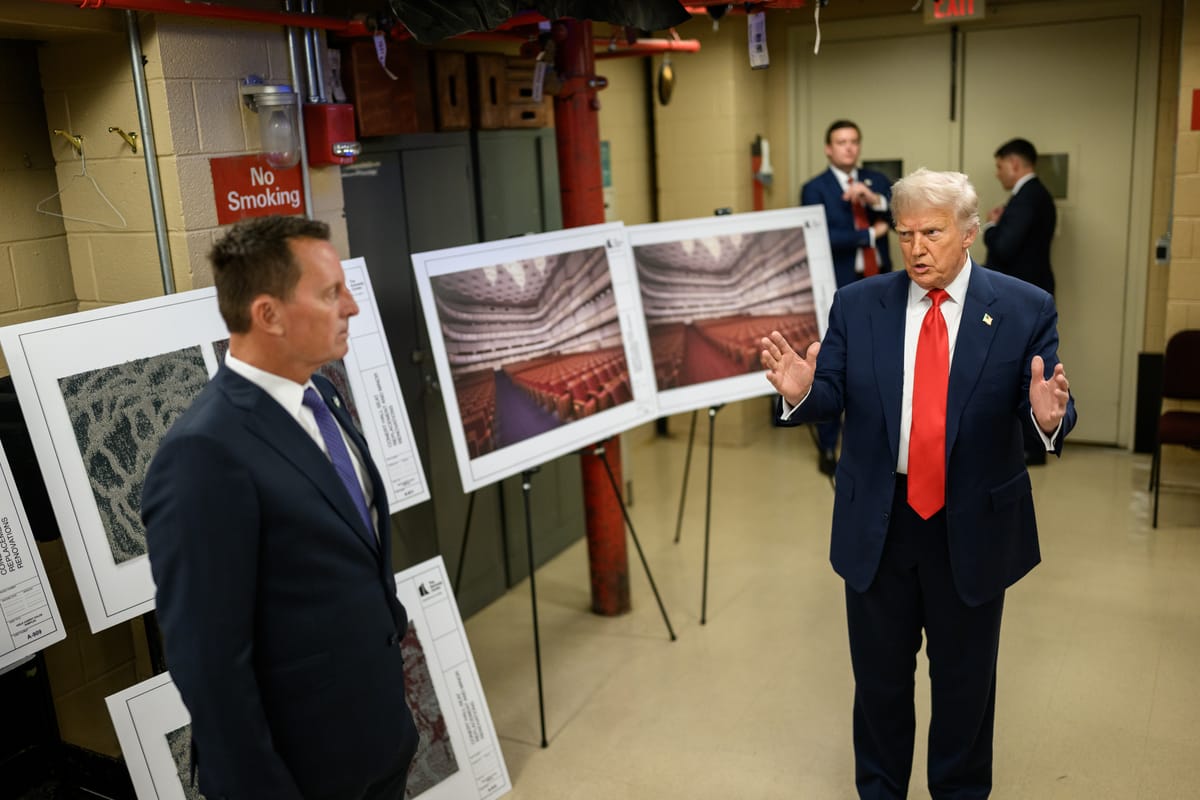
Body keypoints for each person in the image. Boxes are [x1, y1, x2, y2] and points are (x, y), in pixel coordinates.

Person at [762, 168, 1075, 799]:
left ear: (969, 232)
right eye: (904, 234)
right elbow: (831, 391)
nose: (916, 249)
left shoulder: (1022, 308)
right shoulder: (860, 303)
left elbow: (1045, 402)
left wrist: (1048, 419)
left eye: (931, 233)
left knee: (965, 689)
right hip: (882, 524)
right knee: (879, 686)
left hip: (971, 526)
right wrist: (802, 394)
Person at [143, 216, 419, 799]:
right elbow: (208, 660)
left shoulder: (324, 396)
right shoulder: (204, 452)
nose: (352, 308)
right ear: (268, 315)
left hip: (378, 740)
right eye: (330, 293)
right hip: (302, 771)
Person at [801, 119, 894, 476]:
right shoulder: (815, 189)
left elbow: (902, 217)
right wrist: (870, 234)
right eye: (841, 142)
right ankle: (828, 445)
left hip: (880, 284)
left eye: (854, 141)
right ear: (828, 149)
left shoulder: (877, 181)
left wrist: (876, 201)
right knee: (833, 364)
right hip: (839, 287)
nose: (849, 147)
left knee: (882, 364)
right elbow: (821, 236)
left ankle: (880, 441)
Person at [984, 137, 1056, 295]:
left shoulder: (1026, 198)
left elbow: (1003, 249)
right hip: (1030, 286)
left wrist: (991, 226)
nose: (997, 174)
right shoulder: (1034, 193)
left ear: (1014, 163)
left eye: (999, 167)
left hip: (1022, 290)